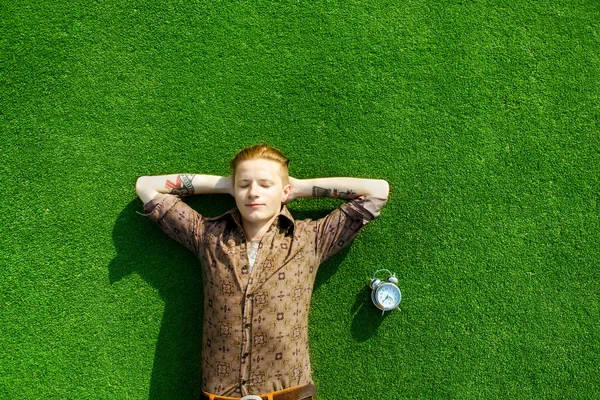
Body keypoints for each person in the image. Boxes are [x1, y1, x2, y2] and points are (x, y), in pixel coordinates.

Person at [136, 144, 389, 400]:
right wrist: (226, 184)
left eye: (266, 185)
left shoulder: (312, 238)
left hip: (290, 395)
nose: (253, 193)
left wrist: (297, 187)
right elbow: (146, 187)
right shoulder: (207, 235)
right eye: (244, 185)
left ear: (284, 190)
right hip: (219, 396)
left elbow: (377, 191)